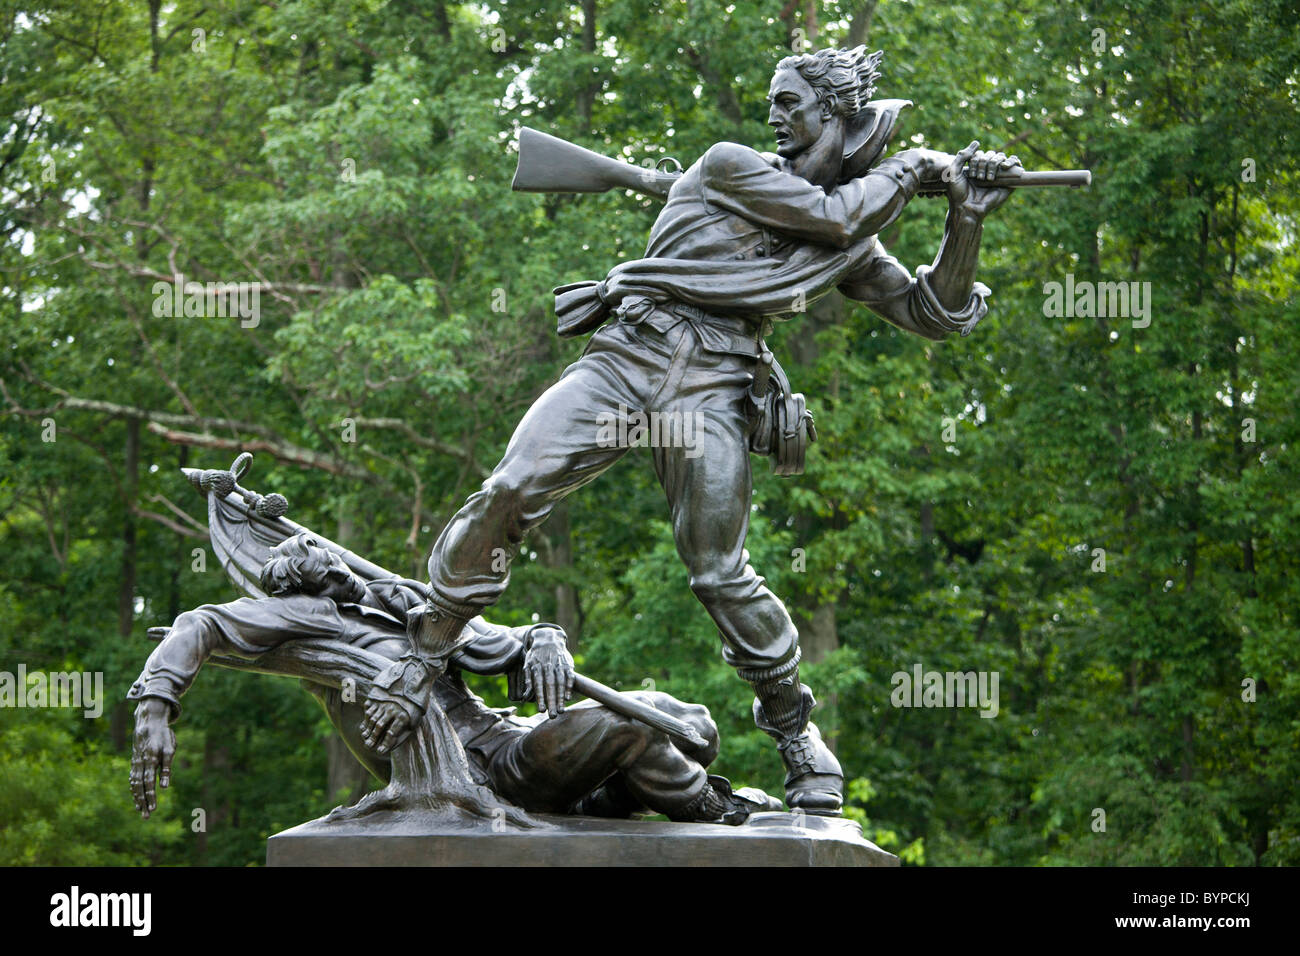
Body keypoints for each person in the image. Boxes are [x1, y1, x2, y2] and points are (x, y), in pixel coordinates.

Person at [364, 46, 1021, 814]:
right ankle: (428, 646)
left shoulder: (845, 243)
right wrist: (915, 168)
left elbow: (932, 313)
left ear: (836, 115)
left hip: (709, 392)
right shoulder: (728, 165)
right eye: (773, 100)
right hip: (628, 358)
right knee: (511, 487)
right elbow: (836, 213)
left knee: (718, 568)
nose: (774, 115)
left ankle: (794, 731)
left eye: (790, 102)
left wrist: (966, 219)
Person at [128, 533, 777, 825]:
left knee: (680, 713)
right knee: (633, 724)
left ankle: (612, 800)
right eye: (309, 555)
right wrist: (155, 707)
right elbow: (202, 625)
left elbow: (502, 643)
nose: (324, 553)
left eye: (322, 549)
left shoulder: (399, 604)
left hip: (514, 738)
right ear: (298, 586)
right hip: (478, 773)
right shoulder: (307, 623)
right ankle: (717, 811)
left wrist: (546, 640)